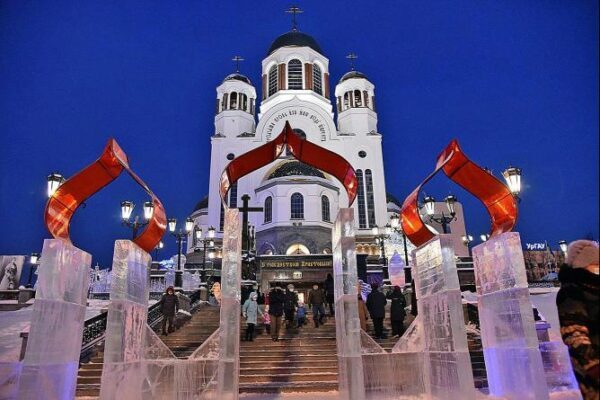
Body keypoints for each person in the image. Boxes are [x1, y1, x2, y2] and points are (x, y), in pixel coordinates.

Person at [557, 240, 599, 400]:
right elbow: (574, 332)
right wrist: (592, 364)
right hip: (592, 369)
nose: (596, 269)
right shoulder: (571, 292)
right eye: (593, 264)